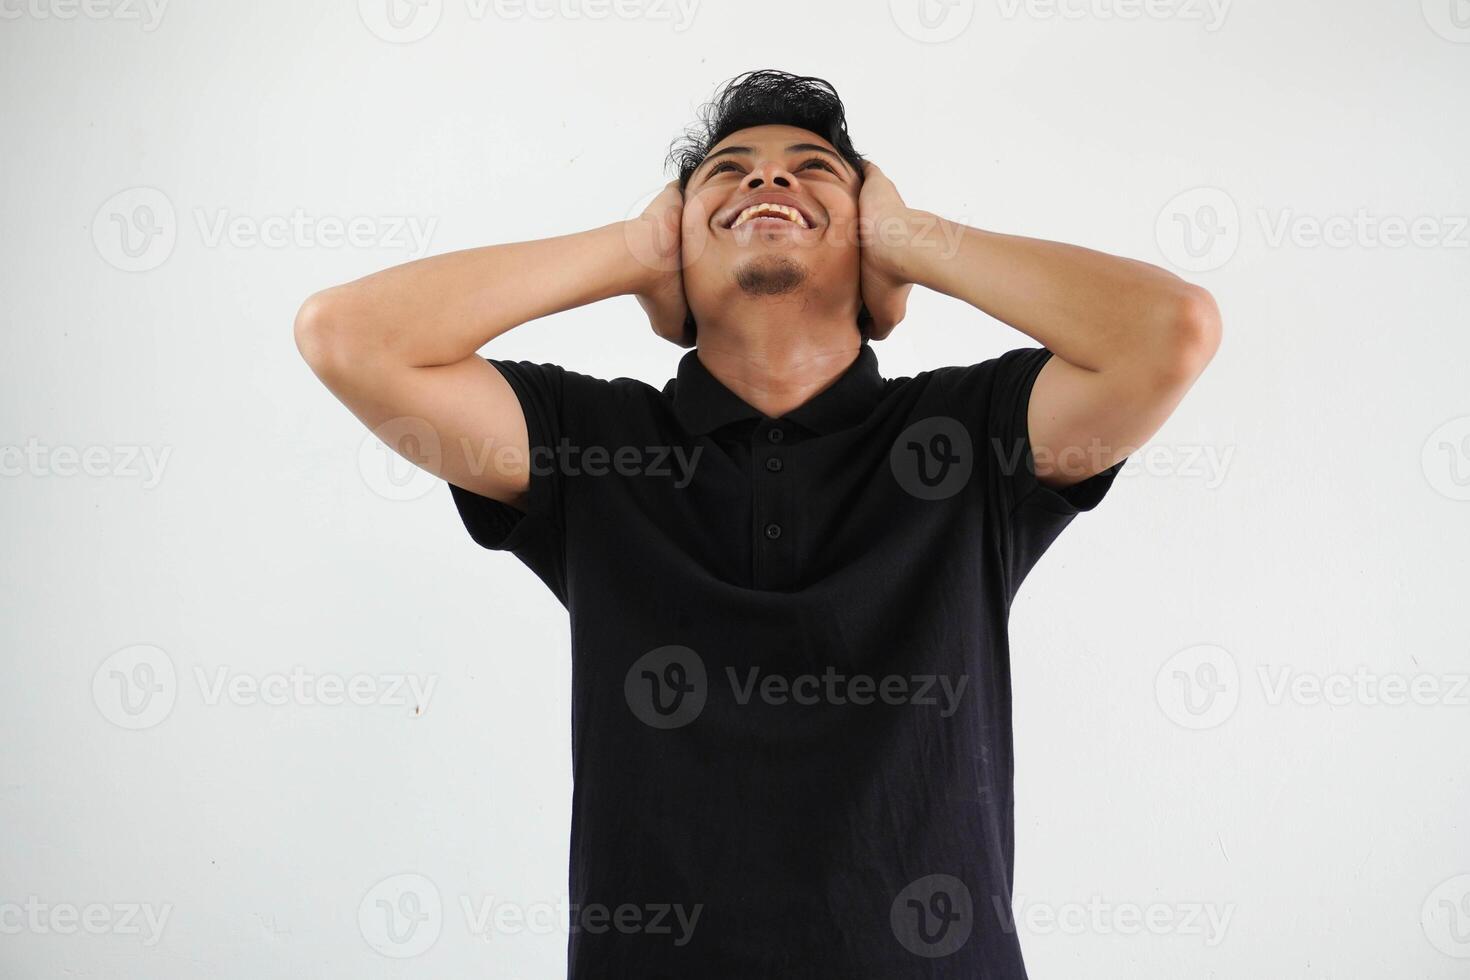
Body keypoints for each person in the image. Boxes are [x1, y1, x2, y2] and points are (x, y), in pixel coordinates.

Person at [295, 69, 1220, 979]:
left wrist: (913, 242)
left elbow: (1170, 332)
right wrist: (627, 251)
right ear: (675, 252)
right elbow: (346, 337)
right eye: (727, 172)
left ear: (871, 247)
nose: (767, 180)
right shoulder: (592, 444)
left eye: (814, 169)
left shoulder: (967, 437)